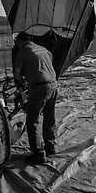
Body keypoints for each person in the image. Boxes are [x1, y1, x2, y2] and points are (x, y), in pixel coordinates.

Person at [13, 32, 58, 165]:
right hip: (54, 85)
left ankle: (39, 155)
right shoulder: (43, 49)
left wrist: (19, 84)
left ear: (20, 41)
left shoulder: (23, 50)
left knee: (32, 122)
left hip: (40, 88)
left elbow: (17, 72)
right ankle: (50, 147)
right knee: (50, 118)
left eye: (17, 42)